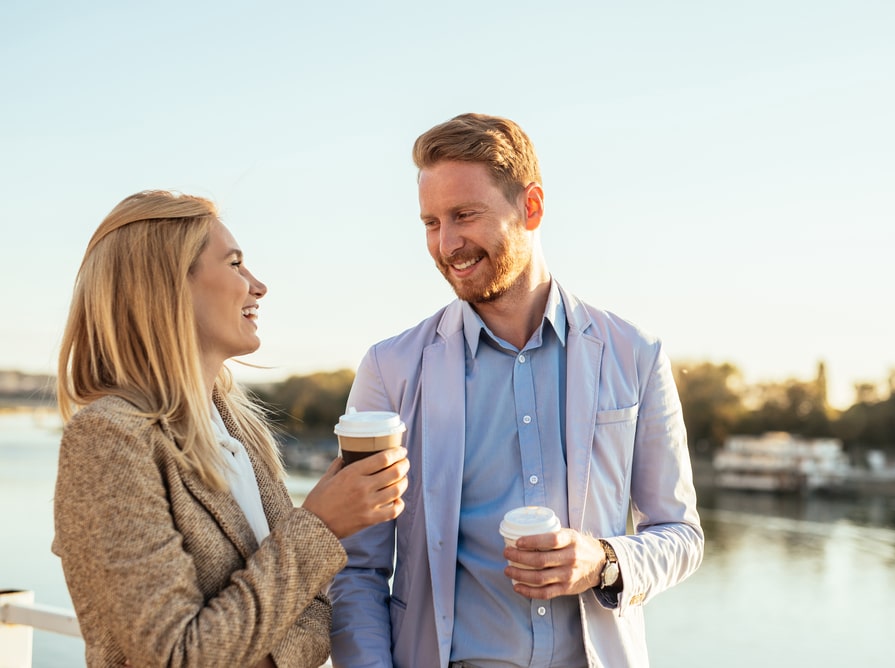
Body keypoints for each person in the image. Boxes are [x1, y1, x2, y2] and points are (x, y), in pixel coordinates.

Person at [328, 114, 704, 668]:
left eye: (464, 215)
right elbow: (356, 567)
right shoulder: (390, 369)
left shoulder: (636, 355)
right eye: (431, 222)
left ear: (531, 207)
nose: (446, 244)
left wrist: (603, 560)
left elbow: (681, 535)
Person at [52, 190, 409, 667]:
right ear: (168, 286)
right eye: (236, 264)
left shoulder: (239, 430)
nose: (258, 286)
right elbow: (178, 656)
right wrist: (319, 524)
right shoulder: (107, 440)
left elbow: (319, 613)